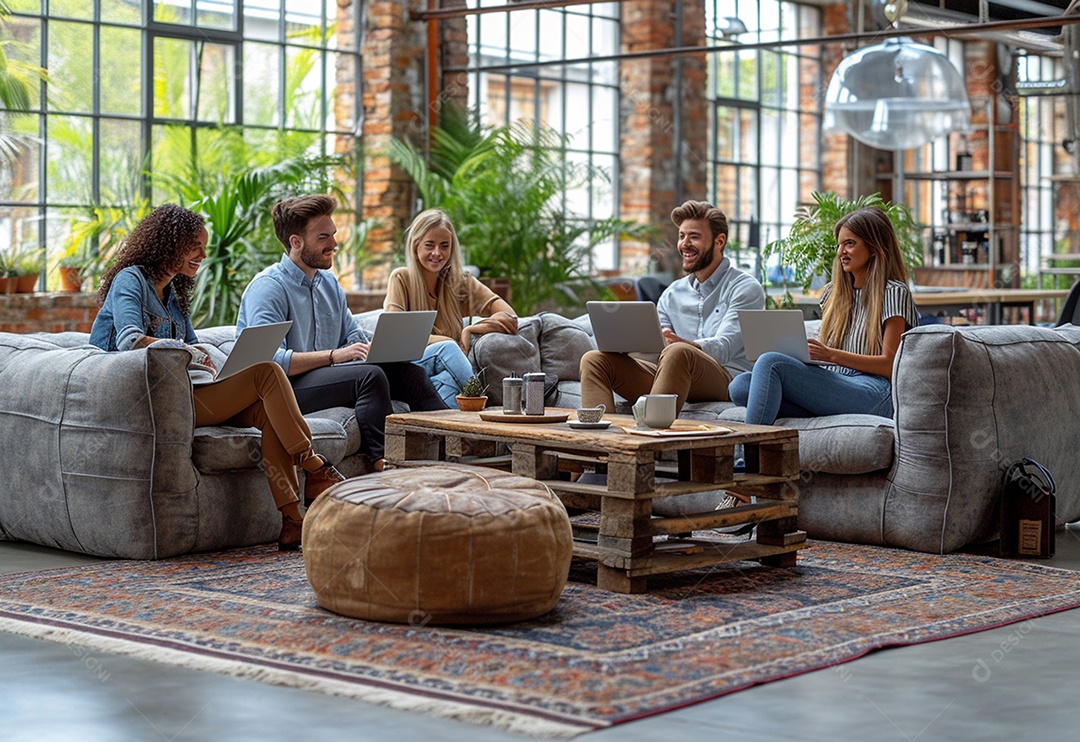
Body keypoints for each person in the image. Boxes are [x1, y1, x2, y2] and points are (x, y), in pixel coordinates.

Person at [88, 204, 343, 552]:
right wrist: (188, 351)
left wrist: (205, 355)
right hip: (158, 398)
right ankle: (313, 464)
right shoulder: (131, 280)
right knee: (268, 371)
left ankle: (292, 521)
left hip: (194, 388)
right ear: (170, 244)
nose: (204, 255)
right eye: (196, 246)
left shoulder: (173, 294)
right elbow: (130, 340)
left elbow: (192, 345)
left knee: (268, 413)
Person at [236, 194, 446, 471]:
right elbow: (265, 362)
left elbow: (353, 336)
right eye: (323, 237)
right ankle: (383, 463)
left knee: (411, 374)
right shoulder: (268, 288)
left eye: (333, 234)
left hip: (324, 380)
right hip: (281, 390)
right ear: (295, 242)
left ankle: (451, 453)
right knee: (368, 376)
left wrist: (375, 349)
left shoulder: (329, 285)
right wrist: (334, 356)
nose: (334, 244)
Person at [728, 206, 921, 425]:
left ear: (875, 248)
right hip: (835, 383)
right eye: (839, 245)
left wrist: (830, 355)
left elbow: (889, 365)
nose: (841, 252)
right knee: (741, 386)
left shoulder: (894, 292)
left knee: (771, 364)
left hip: (874, 391)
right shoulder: (833, 293)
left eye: (850, 243)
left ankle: (749, 457)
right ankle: (821, 409)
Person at [579, 200, 765, 412]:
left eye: (694, 236)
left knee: (678, 352)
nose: (684, 244)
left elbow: (724, 348)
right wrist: (629, 347)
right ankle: (605, 441)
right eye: (681, 236)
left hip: (726, 378)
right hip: (674, 374)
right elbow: (658, 348)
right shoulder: (672, 293)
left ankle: (652, 437)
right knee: (595, 361)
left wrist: (686, 346)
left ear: (719, 241)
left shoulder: (745, 288)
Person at [384, 209, 519, 407]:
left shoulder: (460, 281)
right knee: (447, 349)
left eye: (444, 246)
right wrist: (450, 342)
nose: (437, 253)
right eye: (429, 245)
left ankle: (462, 434)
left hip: (441, 372)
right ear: (415, 247)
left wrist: (470, 330)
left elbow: (510, 316)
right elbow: (396, 336)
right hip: (408, 366)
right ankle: (483, 407)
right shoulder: (401, 278)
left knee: (448, 384)